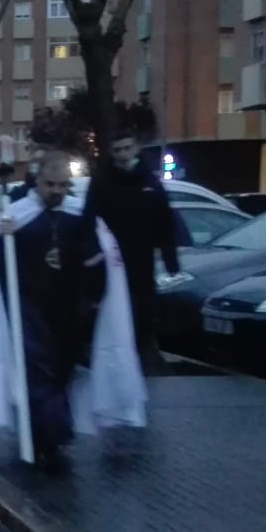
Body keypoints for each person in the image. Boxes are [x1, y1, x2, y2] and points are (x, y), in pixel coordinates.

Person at [0, 151, 146, 471]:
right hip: (29, 309)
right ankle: (53, 437)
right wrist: (5, 239)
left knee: (61, 375)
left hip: (68, 312)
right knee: (39, 373)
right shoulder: (17, 217)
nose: (56, 191)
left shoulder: (80, 218)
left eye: (62, 185)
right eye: (50, 184)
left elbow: (96, 265)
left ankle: (41, 433)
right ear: (37, 181)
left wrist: (90, 302)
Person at [85, 122, 179, 364]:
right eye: (117, 150)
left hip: (142, 258)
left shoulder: (149, 181)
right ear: (111, 153)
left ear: (136, 148)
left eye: (127, 148)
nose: (123, 154)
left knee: (143, 309)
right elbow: (88, 220)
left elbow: (164, 221)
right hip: (110, 260)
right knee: (114, 309)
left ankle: (142, 352)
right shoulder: (102, 183)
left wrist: (171, 261)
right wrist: (90, 254)